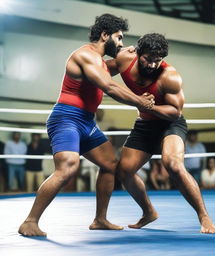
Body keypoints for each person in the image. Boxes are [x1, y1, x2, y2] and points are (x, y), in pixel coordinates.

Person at [18, 14, 155, 237]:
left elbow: (114, 66)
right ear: (104, 35)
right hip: (66, 118)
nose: (120, 43)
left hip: (86, 122)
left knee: (110, 164)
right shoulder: (85, 55)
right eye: (119, 38)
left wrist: (134, 54)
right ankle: (30, 221)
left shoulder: (99, 61)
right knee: (68, 167)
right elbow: (109, 86)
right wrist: (140, 102)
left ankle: (100, 219)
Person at [105, 33, 215, 233]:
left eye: (158, 60)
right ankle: (148, 212)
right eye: (148, 59)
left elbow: (175, 112)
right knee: (124, 171)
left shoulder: (169, 76)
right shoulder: (125, 59)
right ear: (138, 52)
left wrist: (149, 106)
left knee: (173, 164)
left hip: (170, 124)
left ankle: (204, 216)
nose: (152, 65)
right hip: (145, 125)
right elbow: (100, 72)